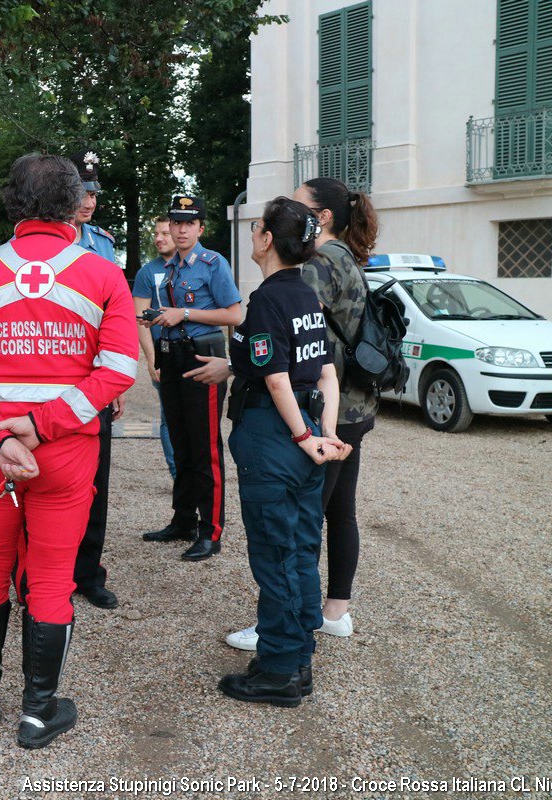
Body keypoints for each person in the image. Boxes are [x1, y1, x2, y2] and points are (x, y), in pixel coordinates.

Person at [0, 153, 138, 749]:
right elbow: (119, 368)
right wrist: (41, 425)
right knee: (50, 580)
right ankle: (39, 710)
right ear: (75, 203)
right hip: (66, 451)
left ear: (13, 203)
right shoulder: (103, 275)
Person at [224, 179, 380, 651]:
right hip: (342, 408)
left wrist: (307, 434)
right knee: (336, 513)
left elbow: (283, 361)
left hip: (309, 413)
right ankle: (330, 612)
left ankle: (284, 630)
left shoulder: (305, 273)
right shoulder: (346, 257)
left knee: (293, 531)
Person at [217, 197, 350, 708]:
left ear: (269, 239)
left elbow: (275, 378)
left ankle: (279, 671)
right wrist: (325, 433)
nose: (253, 235)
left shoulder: (271, 299)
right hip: (305, 432)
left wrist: (302, 436)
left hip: (276, 438)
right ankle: (294, 660)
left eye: (256, 228)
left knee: (276, 554)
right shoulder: (306, 296)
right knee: (298, 550)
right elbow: (327, 374)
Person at [141, 195, 243, 561]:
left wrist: (182, 313)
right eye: (176, 223)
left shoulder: (212, 263)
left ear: (201, 228)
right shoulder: (171, 268)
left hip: (203, 357)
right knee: (181, 444)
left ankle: (211, 530)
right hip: (173, 356)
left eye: (189, 223)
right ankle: (183, 519)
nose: (181, 229)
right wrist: (159, 317)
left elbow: (234, 314)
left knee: (205, 448)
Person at [66, 148, 122, 609]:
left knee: (95, 482)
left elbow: (113, 318)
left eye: (93, 194)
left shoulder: (102, 243)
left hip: (94, 377)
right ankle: (47, 572)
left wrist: (113, 380)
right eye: (81, 192)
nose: (88, 201)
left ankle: (88, 572)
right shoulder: (42, 242)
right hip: (54, 373)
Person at [131, 215, 178, 478]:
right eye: (156, 234)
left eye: (164, 233)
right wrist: (151, 359)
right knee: (169, 416)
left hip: (195, 352)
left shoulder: (201, 265)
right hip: (165, 353)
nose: (159, 238)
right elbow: (140, 320)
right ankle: (177, 475)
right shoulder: (148, 273)